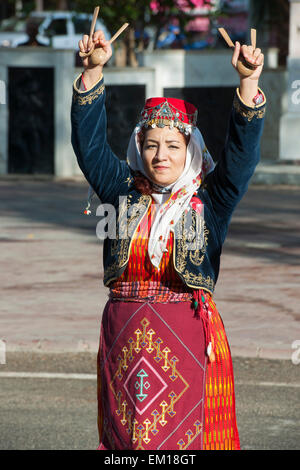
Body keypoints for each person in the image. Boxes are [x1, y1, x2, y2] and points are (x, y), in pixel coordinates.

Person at [71, 30, 265, 451]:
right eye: (152, 145)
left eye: (173, 146)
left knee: (186, 441)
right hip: (124, 336)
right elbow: (88, 148)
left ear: (189, 150)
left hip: (188, 336)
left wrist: (248, 83)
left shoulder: (211, 199)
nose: (161, 155)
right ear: (139, 148)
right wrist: (93, 71)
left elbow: (241, 157)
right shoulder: (121, 190)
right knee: (128, 441)